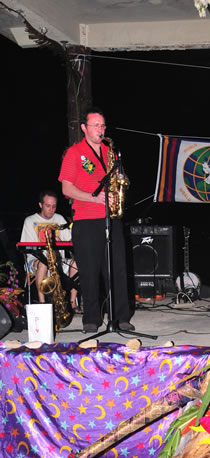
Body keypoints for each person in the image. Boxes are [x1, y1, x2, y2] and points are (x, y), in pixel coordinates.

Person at [58, 107, 133, 334]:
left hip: (111, 219)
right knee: (89, 271)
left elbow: (120, 177)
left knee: (117, 269)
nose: (101, 129)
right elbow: (66, 188)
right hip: (86, 220)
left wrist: (121, 179)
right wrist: (94, 197)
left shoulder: (110, 152)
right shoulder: (74, 153)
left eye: (103, 125)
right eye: (96, 125)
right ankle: (91, 318)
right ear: (84, 128)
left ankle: (121, 317)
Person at [20, 190, 78, 309]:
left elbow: (70, 240)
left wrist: (59, 242)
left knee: (76, 264)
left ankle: (73, 303)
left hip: (59, 260)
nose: (51, 209)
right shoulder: (30, 221)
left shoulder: (60, 218)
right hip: (35, 261)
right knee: (43, 263)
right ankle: (42, 304)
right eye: (48, 206)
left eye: (54, 206)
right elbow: (27, 247)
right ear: (40, 205)